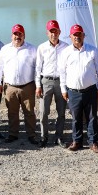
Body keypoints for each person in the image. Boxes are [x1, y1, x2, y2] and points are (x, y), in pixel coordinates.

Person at [58, 25, 98, 153]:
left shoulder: (92, 50)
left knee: (92, 118)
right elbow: (62, 72)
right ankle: (77, 141)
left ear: (83, 35)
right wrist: (63, 89)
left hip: (90, 90)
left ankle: (93, 142)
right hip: (73, 92)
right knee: (76, 118)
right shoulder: (65, 52)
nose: (77, 37)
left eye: (79, 34)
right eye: (74, 35)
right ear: (70, 37)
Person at [0, 24, 38, 145]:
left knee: (29, 112)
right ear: (11, 35)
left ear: (24, 35)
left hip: (27, 86)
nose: (17, 36)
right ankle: (13, 134)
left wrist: (37, 85)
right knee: (12, 112)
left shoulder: (32, 49)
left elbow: (37, 68)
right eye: (15, 34)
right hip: (10, 87)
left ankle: (32, 135)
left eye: (20, 34)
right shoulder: (5, 49)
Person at [34, 20, 69, 148]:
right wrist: (38, 85)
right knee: (43, 112)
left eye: (56, 31)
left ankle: (59, 137)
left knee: (61, 112)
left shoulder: (66, 47)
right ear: (47, 33)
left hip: (61, 82)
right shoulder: (41, 48)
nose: (54, 34)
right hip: (46, 82)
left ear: (59, 32)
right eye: (51, 31)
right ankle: (44, 136)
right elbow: (37, 68)